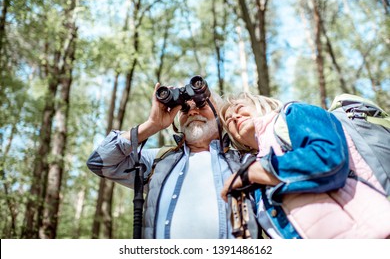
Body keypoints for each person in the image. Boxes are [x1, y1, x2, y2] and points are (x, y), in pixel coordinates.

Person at [86, 79, 258, 239]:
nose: (192, 111)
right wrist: (151, 126)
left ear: (220, 117)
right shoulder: (159, 160)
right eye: (184, 108)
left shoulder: (245, 162)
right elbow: (100, 162)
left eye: (201, 104)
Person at [219, 92, 390, 239]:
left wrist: (258, 171)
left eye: (240, 108)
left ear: (261, 104)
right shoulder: (252, 175)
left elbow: (327, 159)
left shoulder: (293, 113)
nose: (234, 117)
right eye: (229, 121)